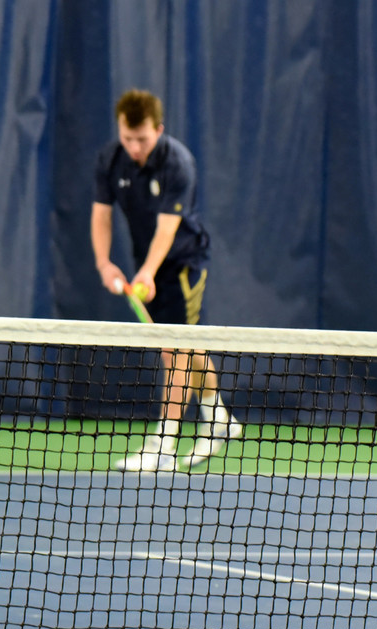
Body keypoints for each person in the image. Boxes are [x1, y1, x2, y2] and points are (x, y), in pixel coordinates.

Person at [90, 89, 242, 472]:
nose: (134, 147)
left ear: (158, 130)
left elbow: (166, 229)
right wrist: (104, 263)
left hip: (183, 263)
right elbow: (102, 214)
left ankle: (163, 446)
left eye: (142, 139)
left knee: (175, 350)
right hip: (149, 266)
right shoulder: (110, 160)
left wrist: (147, 271)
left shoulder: (178, 163)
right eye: (128, 138)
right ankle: (219, 420)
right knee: (184, 347)